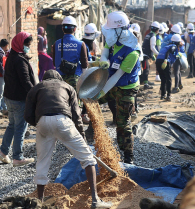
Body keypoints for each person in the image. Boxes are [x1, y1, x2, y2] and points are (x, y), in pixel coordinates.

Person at [24, 70, 112, 208]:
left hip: (42, 122)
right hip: (63, 120)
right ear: (59, 78)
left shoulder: (36, 88)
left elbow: (27, 115)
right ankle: (95, 200)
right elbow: (76, 116)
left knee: (42, 162)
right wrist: (82, 138)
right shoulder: (67, 86)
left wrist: (42, 124)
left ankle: (39, 202)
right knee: (88, 158)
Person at [95, 11, 140, 164]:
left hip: (126, 87)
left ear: (120, 30)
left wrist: (100, 92)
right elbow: (106, 49)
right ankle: (90, 135)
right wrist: (103, 60)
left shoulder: (132, 52)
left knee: (122, 122)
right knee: (90, 102)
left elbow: (116, 77)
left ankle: (128, 155)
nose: (108, 34)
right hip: (113, 83)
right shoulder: (114, 39)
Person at [0, 32, 36, 167]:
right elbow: (26, 81)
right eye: (27, 45)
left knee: (12, 125)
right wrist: (35, 94)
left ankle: (3, 152)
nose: (28, 47)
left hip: (9, 97)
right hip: (19, 99)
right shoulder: (19, 60)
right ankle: (18, 157)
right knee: (20, 127)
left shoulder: (11, 56)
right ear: (20, 44)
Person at [53, 16, 88, 91]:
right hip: (75, 79)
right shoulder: (80, 44)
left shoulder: (56, 43)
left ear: (62, 29)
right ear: (75, 29)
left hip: (60, 79)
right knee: (74, 101)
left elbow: (54, 63)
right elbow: (84, 65)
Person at [156, 34, 182, 101]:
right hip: (165, 61)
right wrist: (165, 60)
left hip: (158, 61)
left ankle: (162, 95)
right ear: (178, 42)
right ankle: (169, 95)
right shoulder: (173, 46)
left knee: (163, 79)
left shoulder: (167, 46)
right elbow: (168, 52)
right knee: (168, 79)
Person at [141, 21, 160, 89]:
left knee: (146, 68)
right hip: (145, 55)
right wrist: (158, 54)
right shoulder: (153, 36)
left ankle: (145, 81)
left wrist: (152, 56)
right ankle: (146, 84)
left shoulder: (148, 35)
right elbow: (152, 47)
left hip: (143, 54)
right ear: (157, 30)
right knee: (146, 69)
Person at [0, 39, 9, 116]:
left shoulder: (1, 53)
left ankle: (4, 109)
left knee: (2, 93)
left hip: (2, 75)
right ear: (5, 45)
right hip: (1, 76)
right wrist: (4, 74)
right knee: (0, 93)